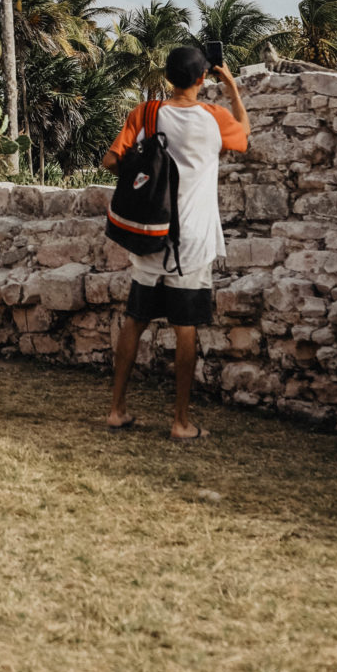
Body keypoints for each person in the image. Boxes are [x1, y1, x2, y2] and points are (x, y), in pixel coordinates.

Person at [103, 46, 249, 441]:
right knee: (185, 326)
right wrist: (232, 87)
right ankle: (180, 421)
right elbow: (244, 137)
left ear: (168, 77)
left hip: (150, 233)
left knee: (135, 319)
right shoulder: (215, 118)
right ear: (203, 78)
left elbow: (111, 160)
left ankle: (117, 410)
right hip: (193, 241)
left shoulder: (145, 114)